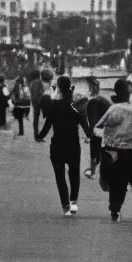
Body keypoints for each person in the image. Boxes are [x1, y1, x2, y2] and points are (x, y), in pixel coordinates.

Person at [94, 78, 132, 222]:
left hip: (114, 152)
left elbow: (97, 128)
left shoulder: (113, 109)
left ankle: (115, 209)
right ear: (129, 93)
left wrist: (108, 137)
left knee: (117, 183)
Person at [36, 76, 91, 216]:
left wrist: (39, 136)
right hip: (73, 145)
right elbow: (85, 126)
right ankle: (73, 203)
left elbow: (47, 126)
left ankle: (65, 205)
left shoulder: (55, 106)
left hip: (57, 146)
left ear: (59, 88)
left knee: (60, 176)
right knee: (74, 175)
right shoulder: (76, 107)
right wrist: (92, 135)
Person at [84, 77, 111, 178]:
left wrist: (90, 134)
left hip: (100, 129)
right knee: (105, 151)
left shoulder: (92, 102)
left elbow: (93, 121)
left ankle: (93, 172)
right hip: (109, 128)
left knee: (94, 148)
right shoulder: (102, 99)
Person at [29, 70, 45, 138]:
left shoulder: (32, 82)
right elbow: (36, 93)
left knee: (36, 118)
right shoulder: (37, 82)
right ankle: (36, 135)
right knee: (36, 118)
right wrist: (38, 102)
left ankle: (36, 134)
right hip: (37, 102)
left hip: (35, 101)